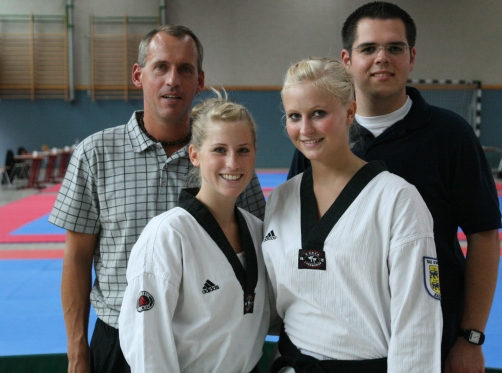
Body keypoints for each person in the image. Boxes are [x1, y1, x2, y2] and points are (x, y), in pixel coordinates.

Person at [288, 3, 502, 372]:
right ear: (346, 59)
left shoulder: (450, 135)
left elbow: (483, 236)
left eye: (395, 48)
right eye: (369, 48)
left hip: (431, 338)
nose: (382, 58)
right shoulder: (318, 136)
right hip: (339, 343)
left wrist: (471, 337)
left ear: (412, 56)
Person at [48, 25, 265, 373]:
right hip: (119, 339)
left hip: (209, 344)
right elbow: (76, 258)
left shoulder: (227, 162)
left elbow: (258, 248)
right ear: (139, 75)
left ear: (199, 80)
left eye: (185, 69)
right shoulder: (95, 154)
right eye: (161, 67)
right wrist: (77, 351)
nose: (172, 80)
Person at [264, 57, 442, 372]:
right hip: (290, 362)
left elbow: (418, 321)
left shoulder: (397, 200)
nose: (305, 129)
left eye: (318, 113)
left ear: (349, 112)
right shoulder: (281, 198)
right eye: (294, 116)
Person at [119, 92, 270, 373]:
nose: (233, 163)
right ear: (195, 155)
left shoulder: (258, 230)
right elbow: (146, 343)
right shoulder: (167, 235)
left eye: (243, 150)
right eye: (219, 150)